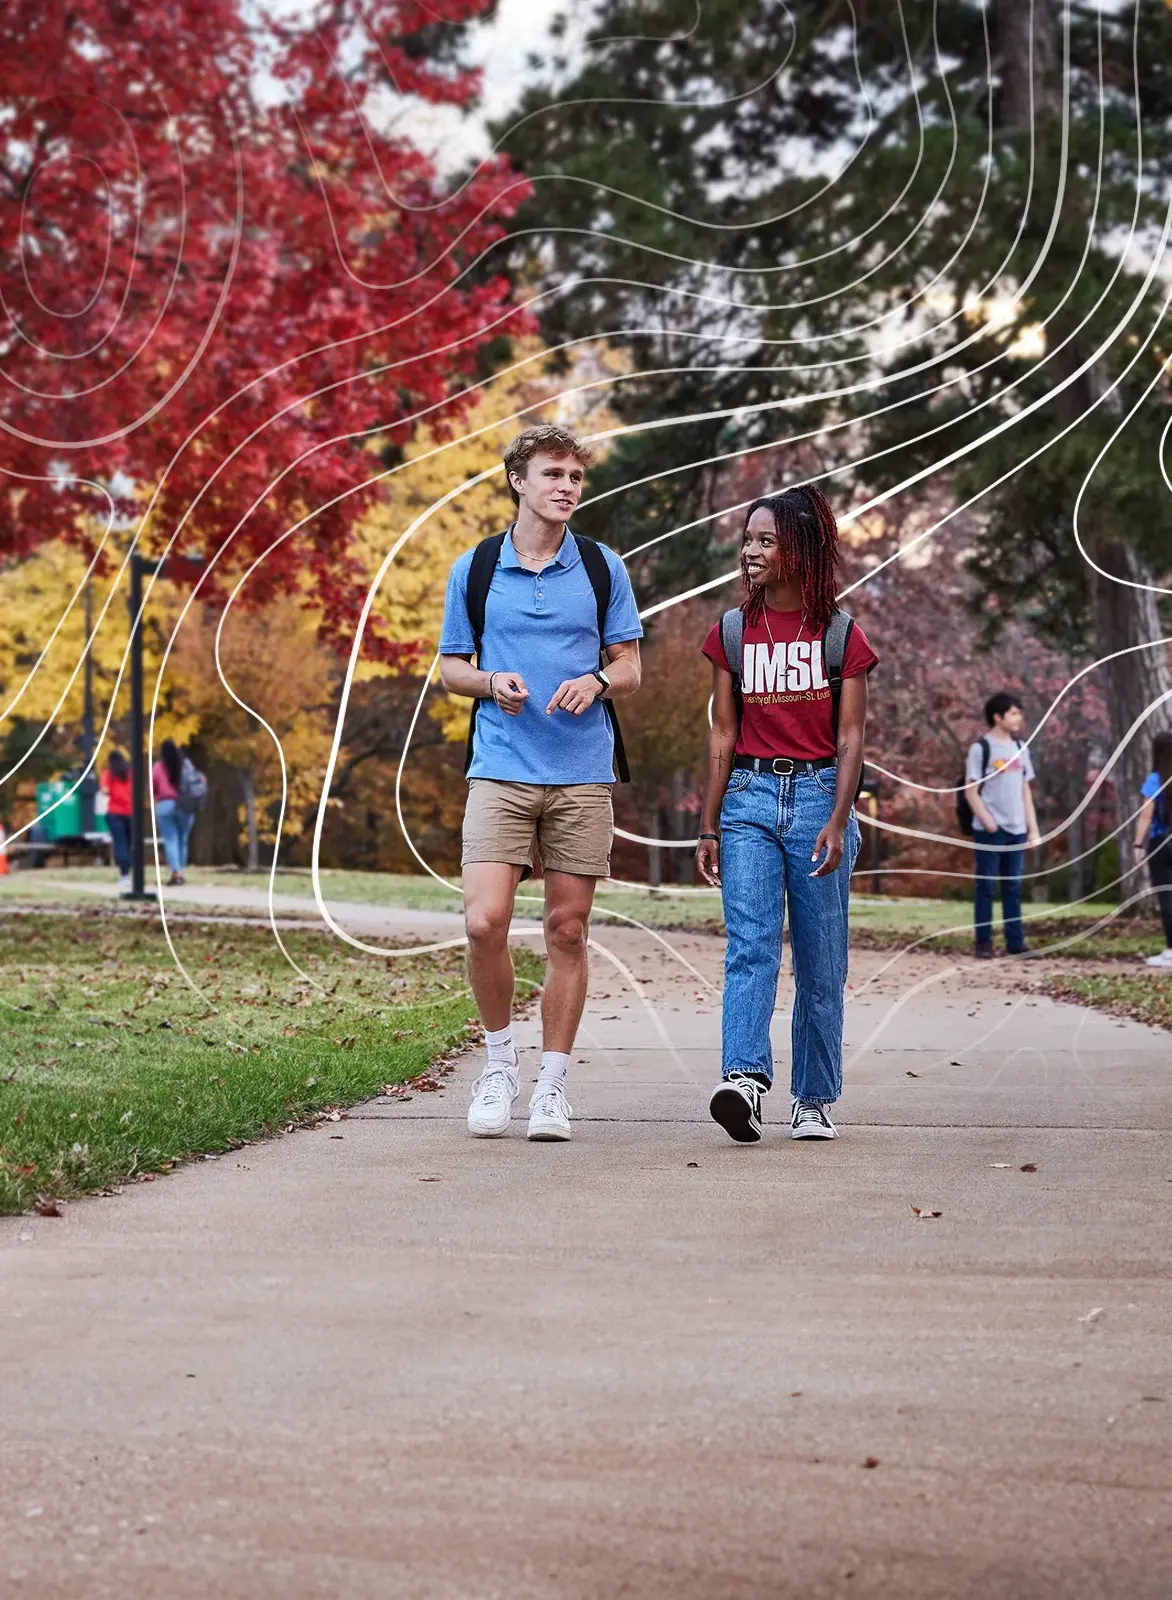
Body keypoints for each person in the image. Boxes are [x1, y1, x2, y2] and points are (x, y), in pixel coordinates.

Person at [439, 424, 643, 1142]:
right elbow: (451, 667)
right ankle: (499, 1062)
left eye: (575, 478)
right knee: (483, 921)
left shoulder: (600, 567)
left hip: (580, 772)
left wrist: (596, 681)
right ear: (518, 480)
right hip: (500, 766)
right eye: (552, 474)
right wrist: (492, 682)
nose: (566, 487)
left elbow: (630, 666)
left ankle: (551, 1086)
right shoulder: (477, 567)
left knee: (567, 929)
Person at [695, 484, 877, 1143]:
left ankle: (813, 1099)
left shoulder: (840, 635)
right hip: (747, 801)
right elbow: (721, 733)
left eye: (766, 540)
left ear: (799, 547)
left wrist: (838, 816)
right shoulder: (733, 632)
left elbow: (852, 735)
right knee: (751, 947)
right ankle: (743, 1081)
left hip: (816, 799)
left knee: (821, 961)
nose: (750, 551)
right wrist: (710, 821)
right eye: (747, 539)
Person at [964, 693, 1041, 959]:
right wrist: (989, 823)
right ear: (998, 717)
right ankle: (983, 943)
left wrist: (1033, 829)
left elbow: (1025, 791)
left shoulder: (1021, 748)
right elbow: (971, 791)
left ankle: (1015, 943)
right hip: (990, 831)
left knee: (1013, 887)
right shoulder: (981, 749)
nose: (1018, 718)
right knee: (986, 886)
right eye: (1013, 713)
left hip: (1017, 830)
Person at [1133, 729, 1172, 970]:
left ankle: (1171, 951)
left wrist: (1138, 843)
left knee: (1167, 898)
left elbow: (1146, 815)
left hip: (1161, 844)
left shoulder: (1154, 780)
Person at [153, 737, 195, 886]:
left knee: (171, 839)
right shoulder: (187, 765)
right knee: (183, 840)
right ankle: (181, 872)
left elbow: (152, 788)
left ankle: (175, 873)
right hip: (185, 805)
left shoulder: (158, 767)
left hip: (165, 804)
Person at [101, 749, 133, 892]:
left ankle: (124, 874)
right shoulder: (130, 773)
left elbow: (104, 791)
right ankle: (131, 871)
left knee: (120, 842)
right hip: (130, 812)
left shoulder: (108, 774)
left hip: (114, 811)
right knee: (129, 843)